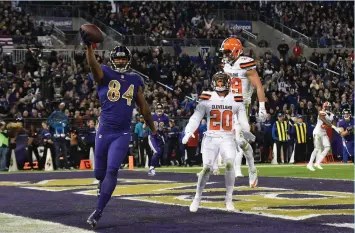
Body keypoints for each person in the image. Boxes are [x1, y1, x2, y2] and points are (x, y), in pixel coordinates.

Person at [80, 30, 159, 228]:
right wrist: (89, 47)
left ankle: (98, 211)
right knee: (99, 173)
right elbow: (92, 65)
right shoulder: (104, 72)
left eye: (124, 59)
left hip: (122, 132)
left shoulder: (135, 79)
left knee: (113, 169)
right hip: (104, 130)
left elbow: (144, 108)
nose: (122, 61)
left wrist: (153, 130)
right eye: (119, 58)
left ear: (128, 60)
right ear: (113, 60)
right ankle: (100, 184)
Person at [181, 72, 249, 212]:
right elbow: (196, 117)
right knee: (206, 168)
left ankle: (228, 199)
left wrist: (245, 131)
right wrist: (188, 132)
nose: (220, 85)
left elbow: (242, 120)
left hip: (227, 137)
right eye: (218, 82)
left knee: (230, 163)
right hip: (211, 137)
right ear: (213, 83)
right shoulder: (207, 97)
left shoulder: (236, 98)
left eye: (222, 82)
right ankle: (197, 198)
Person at [217, 37, 263, 186]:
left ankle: (251, 168)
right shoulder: (225, 64)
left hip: (243, 106)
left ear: (236, 51)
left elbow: (259, 86)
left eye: (227, 52)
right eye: (224, 52)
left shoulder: (245, 63)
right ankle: (225, 166)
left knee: (239, 140)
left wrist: (262, 107)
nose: (225, 55)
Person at [307, 102, 335, 171]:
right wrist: (329, 124)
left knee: (327, 147)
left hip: (324, 132)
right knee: (317, 148)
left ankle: (317, 162)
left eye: (329, 107)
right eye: (327, 107)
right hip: (317, 131)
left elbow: (333, 122)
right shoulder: (321, 112)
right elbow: (321, 118)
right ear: (324, 107)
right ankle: (310, 164)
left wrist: (333, 125)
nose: (329, 108)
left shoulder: (331, 114)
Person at [148, 103, 169, 176]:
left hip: (160, 138)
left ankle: (153, 167)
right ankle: (151, 168)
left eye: (160, 110)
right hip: (152, 137)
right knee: (157, 152)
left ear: (163, 110)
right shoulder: (152, 116)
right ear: (155, 110)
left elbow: (168, 128)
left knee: (159, 152)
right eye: (158, 110)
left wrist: (165, 129)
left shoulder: (166, 118)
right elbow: (146, 124)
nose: (159, 111)